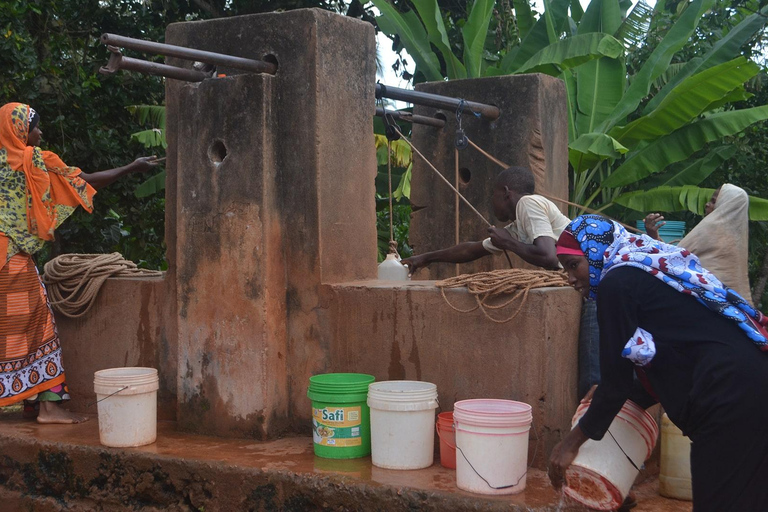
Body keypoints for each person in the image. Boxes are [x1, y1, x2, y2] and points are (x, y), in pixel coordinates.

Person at [549, 214, 768, 511]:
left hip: (728, 393)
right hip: (752, 379)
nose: (571, 278)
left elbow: (616, 384)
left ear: (596, 252)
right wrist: (615, 394)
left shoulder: (616, 284)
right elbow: (670, 351)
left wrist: (569, 445)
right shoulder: (646, 270)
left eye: (574, 265)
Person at [0, 102, 158, 424]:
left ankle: (30, 401)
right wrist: (130, 168)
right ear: (20, 131)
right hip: (11, 262)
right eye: (35, 128)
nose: (40, 133)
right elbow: (85, 181)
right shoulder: (35, 161)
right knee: (40, 330)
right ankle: (48, 409)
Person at [402, 166, 600, 397]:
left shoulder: (528, 203)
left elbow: (548, 256)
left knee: (593, 377)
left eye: (493, 196)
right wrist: (424, 258)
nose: (492, 203)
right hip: (589, 283)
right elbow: (471, 251)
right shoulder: (518, 227)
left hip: (597, 284)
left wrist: (508, 243)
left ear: (506, 193)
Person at [645, 184, 751, 303]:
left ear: (725, 206)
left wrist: (652, 237)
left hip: (704, 302)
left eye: (713, 201)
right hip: (731, 305)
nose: (707, 204)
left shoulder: (711, 228)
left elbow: (674, 259)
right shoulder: (737, 238)